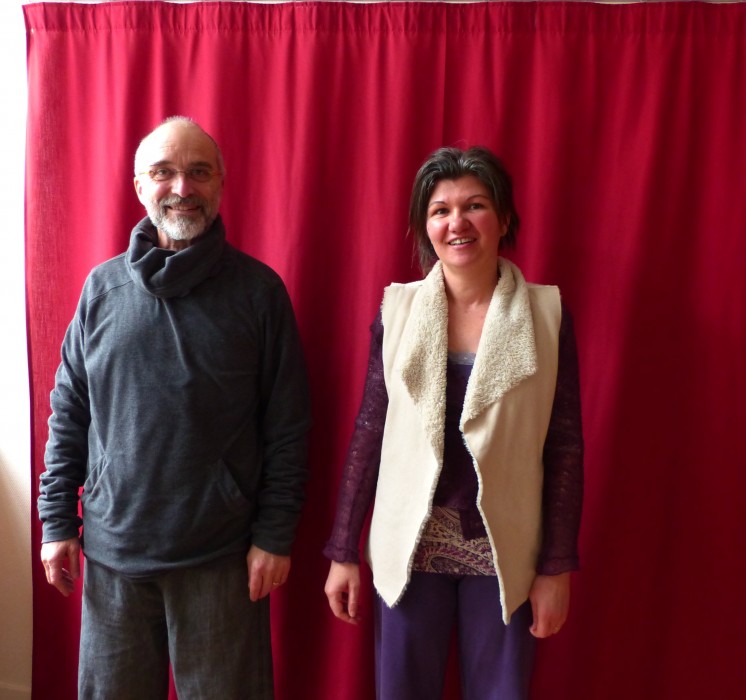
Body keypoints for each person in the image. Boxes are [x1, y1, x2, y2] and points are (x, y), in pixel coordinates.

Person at [38, 116, 311, 700]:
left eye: (198, 172)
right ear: (140, 187)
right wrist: (57, 521)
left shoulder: (259, 294)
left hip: (221, 559)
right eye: (163, 172)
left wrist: (275, 534)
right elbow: (69, 411)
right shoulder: (101, 290)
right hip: (112, 557)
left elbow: (287, 428)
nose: (182, 188)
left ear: (220, 183)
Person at [324, 146, 583, 699]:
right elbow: (370, 431)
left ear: (504, 218)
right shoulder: (398, 312)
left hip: (505, 549)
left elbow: (563, 447)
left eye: (475, 206)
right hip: (410, 545)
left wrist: (556, 567)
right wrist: (344, 551)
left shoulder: (546, 314)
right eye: (440, 210)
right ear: (425, 225)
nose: (456, 223)